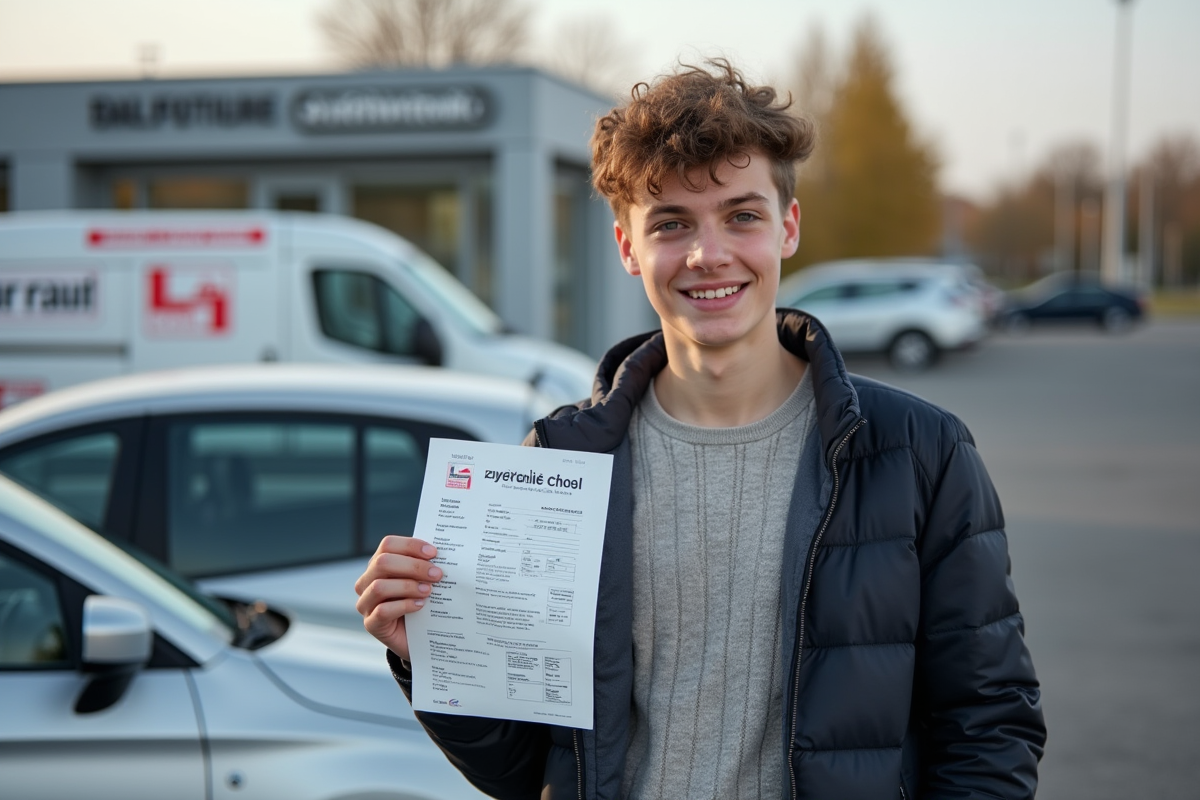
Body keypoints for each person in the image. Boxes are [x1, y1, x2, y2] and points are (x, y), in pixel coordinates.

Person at [355, 59, 1046, 800]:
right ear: (627, 248)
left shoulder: (919, 454)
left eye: (741, 215)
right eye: (672, 224)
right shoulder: (556, 464)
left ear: (787, 227)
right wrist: (429, 656)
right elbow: (526, 771)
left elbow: (989, 725)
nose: (707, 254)